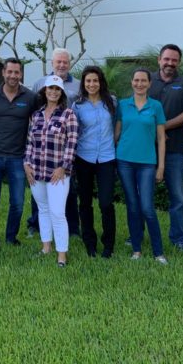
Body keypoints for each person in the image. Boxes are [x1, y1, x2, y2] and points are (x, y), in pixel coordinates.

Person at [24, 75, 79, 267]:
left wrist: (64, 167)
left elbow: (72, 143)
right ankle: (46, 248)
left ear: (61, 92)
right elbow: (30, 142)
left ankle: (62, 255)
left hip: (58, 172)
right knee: (43, 209)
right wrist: (26, 164)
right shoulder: (36, 115)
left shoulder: (68, 115)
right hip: (36, 170)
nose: (53, 92)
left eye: (57, 89)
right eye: (50, 88)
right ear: (44, 91)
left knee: (57, 212)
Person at [115, 67, 168, 264]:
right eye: (136, 80)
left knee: (147, 207)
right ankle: (136, 249)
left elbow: (161, 139)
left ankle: (158, 252)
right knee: (132, 206)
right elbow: (117, 134)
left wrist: (160, 167)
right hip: (124, 161)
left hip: (147, 163)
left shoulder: (156, 106)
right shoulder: (123, 105)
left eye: (143, 80)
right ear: (131, 82)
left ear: (149, 83)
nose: (139, 84)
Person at [0, 58, 36, 250]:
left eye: (17, 72)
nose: (13, 76)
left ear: (21, 74)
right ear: (3, 73)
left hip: (18, 157)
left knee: (18, 202)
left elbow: (37, 122)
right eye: (10, 72)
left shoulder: (30, 97)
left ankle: (11, 237)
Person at [148, 44, 183, 252]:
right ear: (159, 60)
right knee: (143, 195)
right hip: (146, 150)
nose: (170, 63)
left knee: (177, 197)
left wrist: (163, 127)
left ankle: (178, 239)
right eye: (166, 59)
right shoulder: (147, 80)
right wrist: (155, 131)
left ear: (179, 62)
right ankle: (136, 236)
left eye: (174, 60)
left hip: (174, 150)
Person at [29, 48, 80, 237]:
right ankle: (36, 226)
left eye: (65, 62)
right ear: (52, 63)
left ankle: (72, 229)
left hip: (64, 146)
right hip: (42, 149)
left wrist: (65, 164)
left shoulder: (78, 85)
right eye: (58, 61)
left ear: (69, 64)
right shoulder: (39, 83)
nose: (62, 65)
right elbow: (35, 113)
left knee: (68, 191)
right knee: (40, 195)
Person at [72, 65, 117, 258]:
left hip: (107, 157)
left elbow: (118, 125)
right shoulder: (77, 106)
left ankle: (108, 245)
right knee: (85, 203)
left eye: (95, 80)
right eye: (88, 81)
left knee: (106, 203)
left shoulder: (112, 101)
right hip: (84, 157)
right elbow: (74, 132)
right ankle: (89, 243)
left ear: (101, 82)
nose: (92, 84)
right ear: (83, 83)